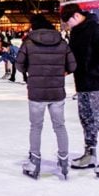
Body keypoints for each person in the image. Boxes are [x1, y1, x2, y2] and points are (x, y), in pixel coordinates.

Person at [60, 4, 99, 178]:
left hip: (98, 84)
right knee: (87, 120)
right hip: (83, 84)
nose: (67, 26)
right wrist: (68, 69)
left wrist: (92, 73)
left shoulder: (96, 30)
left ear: (77, 16)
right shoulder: (76, 33)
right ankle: (90, 153)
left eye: (68, 22)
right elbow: (75, 58)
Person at [16, 14, 77, 179]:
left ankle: (34, 161)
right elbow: (72, 65)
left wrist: (32, 70)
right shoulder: (62, 42)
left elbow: (19, 65)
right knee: (60, 126)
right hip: (57, 93)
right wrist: (61, 73)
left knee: (36, 127)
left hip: (36, 92)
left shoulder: (28, 42)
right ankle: (64, 160)